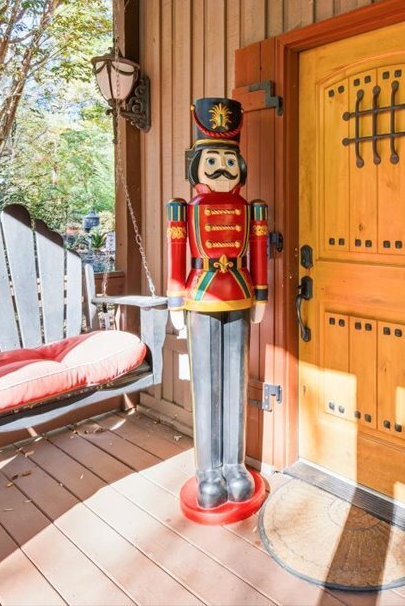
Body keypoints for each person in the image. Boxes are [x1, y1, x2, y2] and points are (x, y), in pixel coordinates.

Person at [166, 97, 269, 513]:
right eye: (213, 160)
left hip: (240, 290)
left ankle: (235, 466)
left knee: (235, 381)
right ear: (197, 164)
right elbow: (176, 258)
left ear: (241, 166)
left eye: (230, 160)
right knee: (207, 383)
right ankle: (208, 470)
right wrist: (176, 301)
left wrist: (261, 294)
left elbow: (258, 253)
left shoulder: (252, 209)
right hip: (201, 291)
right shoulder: (183, 209)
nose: (223, 169)